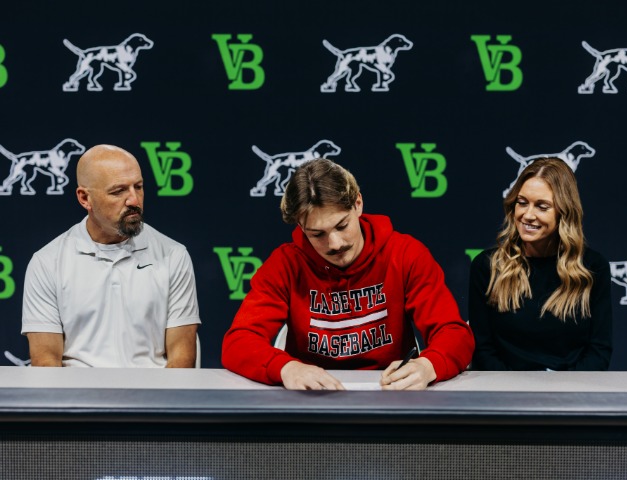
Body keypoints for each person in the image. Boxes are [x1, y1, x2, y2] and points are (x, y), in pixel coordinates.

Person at [222, 158, 474, 390]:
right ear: (300, 226)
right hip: (311, 400)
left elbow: (454, 333)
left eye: (342, 225)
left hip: (390, 395)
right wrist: (286, 368)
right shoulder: (285, 264)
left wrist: (428, 365)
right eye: (316, 234)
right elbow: (239, 342)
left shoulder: (405, 254)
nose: (334, 243)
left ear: (358, 204)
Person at [21, 144, 201, 367]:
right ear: (84, 198)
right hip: (76, 398)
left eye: (139, 187)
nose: (134, 200)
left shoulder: (174, 256)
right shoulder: (47, 262)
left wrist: (162, 401)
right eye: (119, 191)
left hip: (153, 397)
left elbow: (182, 357)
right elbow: (46, 361)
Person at [469, 157, 612, 371]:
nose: (527, 215)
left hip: (572, 395)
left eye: (542, 207)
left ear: (563, 212)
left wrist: (566, 393)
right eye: (522, 202)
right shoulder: (487, 266)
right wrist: (512, 393)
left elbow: (599, 351)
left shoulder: (592, 267)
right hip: (504, 395)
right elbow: (483, 350)